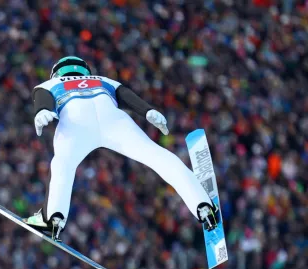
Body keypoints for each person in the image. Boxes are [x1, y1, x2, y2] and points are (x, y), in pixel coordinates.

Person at [25, 56, 218, 239]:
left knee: (62, 166)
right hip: (114, 122)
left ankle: (54, 218)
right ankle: (202, 205)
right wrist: (147, 111)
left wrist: (42, 110)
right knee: (158, 157)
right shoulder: (101, 79)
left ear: (56, 73)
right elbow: (125, 95)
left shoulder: (49, 84)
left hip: (75, 124)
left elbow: (42, 97)